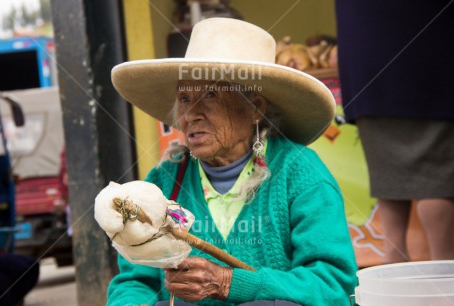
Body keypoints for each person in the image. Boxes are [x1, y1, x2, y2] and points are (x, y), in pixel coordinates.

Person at [107, 18, 357, 305]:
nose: (190, 115)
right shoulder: (164, 181)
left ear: (255, 109)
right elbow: (133, 282)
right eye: (185, 99)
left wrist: (229, 282)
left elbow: (334, 283)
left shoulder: (300, 172)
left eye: (211, 95)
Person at [335, 1, 454, 263]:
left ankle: (394, 266)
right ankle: (446, 271)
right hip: (431, 51)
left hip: (368, 56)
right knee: (437, 180)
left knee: (387, 178)